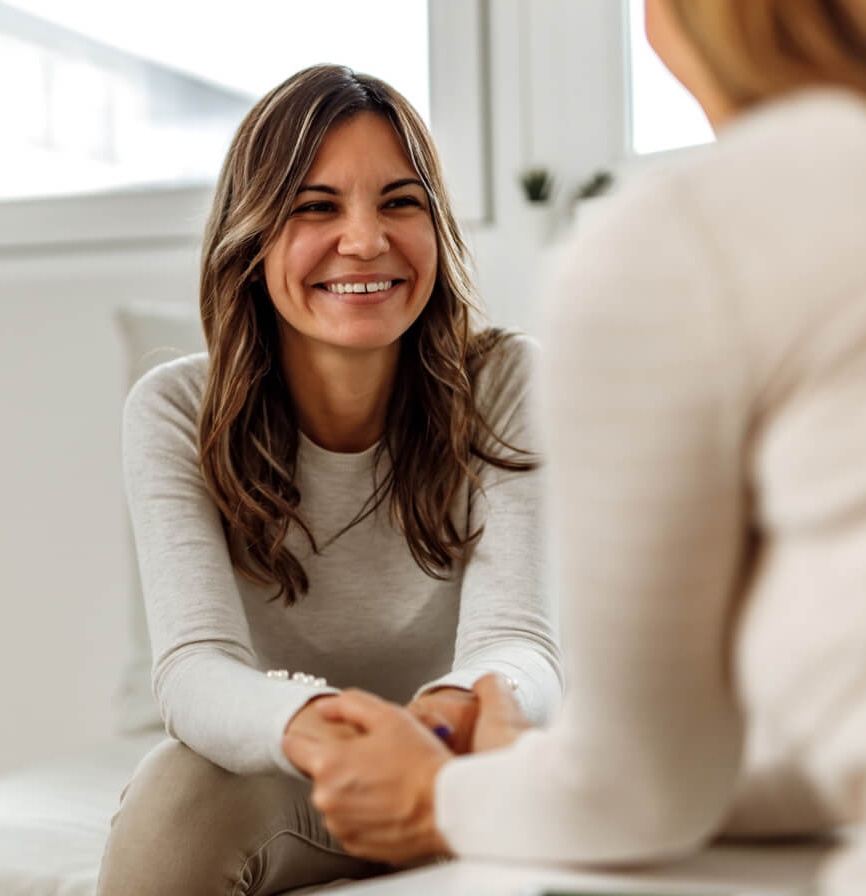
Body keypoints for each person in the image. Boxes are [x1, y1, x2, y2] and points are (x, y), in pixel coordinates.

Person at [286, 0, 866, 893]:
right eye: (316, 207)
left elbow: (641, 788)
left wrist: (436, 796)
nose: (363, 241)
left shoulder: (690, 241)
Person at [95, 64, 563, 896]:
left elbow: (517, 644)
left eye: (399, 201)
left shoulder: (503, 382)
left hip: (466, 767)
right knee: (176, 795)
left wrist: (437, 726)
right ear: (254, 235)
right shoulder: (173, 409)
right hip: (295, 767)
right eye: (316, 206)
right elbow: (195, 668)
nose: (364, 240)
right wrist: (322, 729)